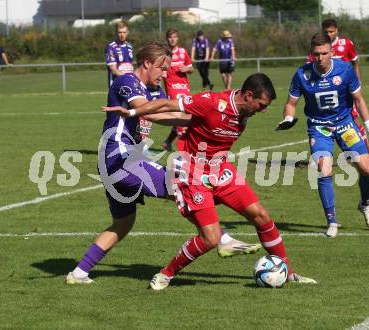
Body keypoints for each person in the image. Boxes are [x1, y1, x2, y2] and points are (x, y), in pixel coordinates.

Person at [66, 43, 259, 285]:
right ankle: (222, 239)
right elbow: (148, 112)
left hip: (120, 161)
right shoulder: (128, 82)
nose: (165, 74)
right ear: (147, 63)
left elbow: (168, 114)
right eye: (162, 68)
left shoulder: (152, 91)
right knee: (180, 183)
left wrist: (204, 119)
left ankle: (79, 273)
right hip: (119, 157)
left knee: (123, 223)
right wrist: (200, 119)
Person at [104, 73, 317, 290]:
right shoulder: (211, 102)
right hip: (192, 172)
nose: (263, 111)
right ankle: (166, 274)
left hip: (220, 169)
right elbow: (167, 103)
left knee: (262, 216)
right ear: (249, 95)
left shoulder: (243, 111)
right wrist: (132, 112)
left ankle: (289, 274)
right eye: (261, 105)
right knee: (211, 238)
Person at [278, 33, 369, 238]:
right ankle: (332, 221)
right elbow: (291, 103)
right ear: (311, 53)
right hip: (319, 128)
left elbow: (359, 99)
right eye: (316, 54)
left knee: (367, 169)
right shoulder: (302, 74)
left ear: (331, 52)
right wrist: (287, 118)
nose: (320, 58)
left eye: (324, 53)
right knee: (324, 169)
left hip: (345, 124)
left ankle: (365, 204)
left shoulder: (345, 69)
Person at [308, 19, 369, 157]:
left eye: (331, 31)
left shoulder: (346, 44)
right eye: (326, 32)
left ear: (336, 30)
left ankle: (365, 153)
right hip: (325, 90)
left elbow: (355, 63)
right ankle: (319, 155)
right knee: (319, 121)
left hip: (345, 90)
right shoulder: (318, 46)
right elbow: (310, 67)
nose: (329, 34)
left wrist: (358, 81)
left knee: (354, 119)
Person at [162, 27, 194, 152]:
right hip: (172, 89)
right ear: (167, 39)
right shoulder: (164, 54)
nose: (172, 39)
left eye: (175, 37)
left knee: (185, 117)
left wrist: (187, 69)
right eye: (170, 37)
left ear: (178, 38)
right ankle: (185, 147)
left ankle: (167, 142)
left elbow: (191, 68)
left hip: (184, 88)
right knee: (180, 118)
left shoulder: (183, 52)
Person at [105, 21, 134, 87]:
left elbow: (130, 66)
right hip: (117, 85)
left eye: (124, 32)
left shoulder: (129, 46)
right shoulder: (111, 47)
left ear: (128, 32)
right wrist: (128, 78)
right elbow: (113, 70)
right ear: (116, 33)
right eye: (120, 32)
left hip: (130, 83)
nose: (122, 35)